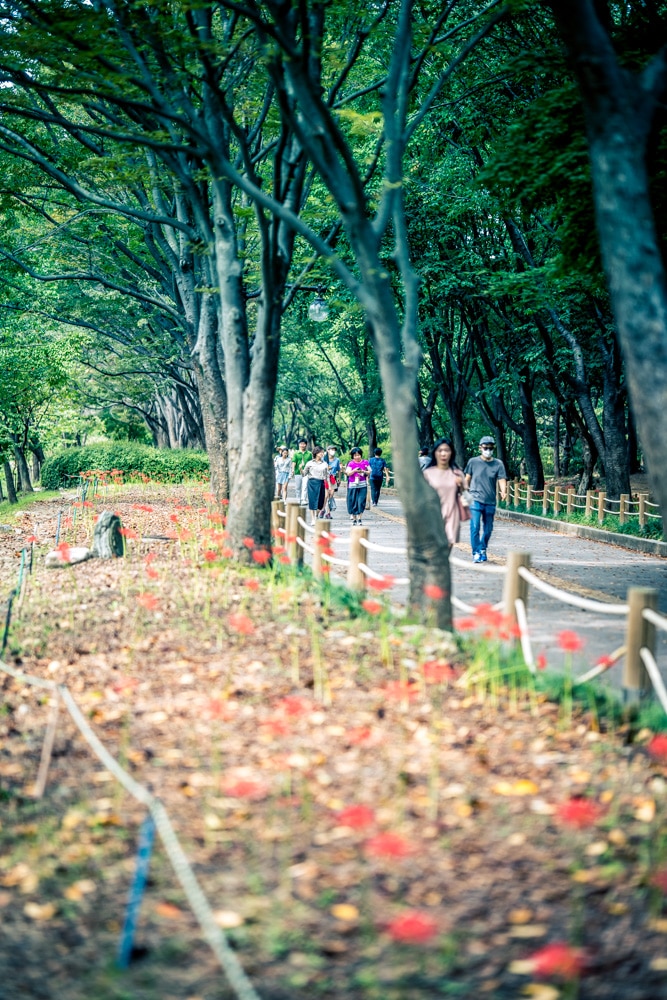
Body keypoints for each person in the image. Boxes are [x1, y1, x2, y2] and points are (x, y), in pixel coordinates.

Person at [464, 435, 508, 563]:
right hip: (475, 499)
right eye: (485, 447)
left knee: (488, 528)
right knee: (475, 526)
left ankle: (483, 547)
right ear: (480, 448)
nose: (488, 450)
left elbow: (501, 479)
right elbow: (467, 478)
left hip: (490, 501)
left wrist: (503, 491)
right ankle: (476, 552)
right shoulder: (473, 462)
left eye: (490, 447)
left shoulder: (498, 464)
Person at [423, 438, 465, 547]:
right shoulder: (428, 473)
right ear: (435, 453)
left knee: (448, 544)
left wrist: (461, 486)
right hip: (432, 513)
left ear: (451, 452)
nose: (443, 453)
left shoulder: (457, 473)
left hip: (452, 512)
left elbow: (466, 496)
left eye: (447, 450)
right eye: (440, 450)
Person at [302, 447, 329, 524]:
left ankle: (316, 515)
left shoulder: (324, 463)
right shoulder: (309, 463)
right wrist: (301, 469)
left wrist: (329, 486)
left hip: (321, 482)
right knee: (312, 501)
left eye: (323, 452)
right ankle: (313, 518)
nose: (322, 454)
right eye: (321, 452)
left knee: (320, 502)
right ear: (316, 453)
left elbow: (327, 475)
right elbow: (304, 474)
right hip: (312, 482)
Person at [345, 447, 370, 526]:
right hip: (352, 485)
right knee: (353, 502)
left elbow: (369, 471)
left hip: (362, 485)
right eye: (355, 455)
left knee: (361, 502)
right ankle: (354, 519)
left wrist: (364, 471)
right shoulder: (351, 463)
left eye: (358, 455)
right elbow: (348, 473)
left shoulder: (365, 462)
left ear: (361, 455)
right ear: (353, 456)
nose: (357, 457)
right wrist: (355, 470)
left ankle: (359, 518)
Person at [292, 438, 312, 506]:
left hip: (306, 473)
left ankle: (303, 499)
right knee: (298, 487)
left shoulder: (309, 454)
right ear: (299, 444)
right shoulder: (296, 453)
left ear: (306, 445)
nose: (302, 445)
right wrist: (293, 470)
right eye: (301, 444)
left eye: (304, 444)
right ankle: (298, 499)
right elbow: (294, 462)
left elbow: (311, 463)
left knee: (305, 486)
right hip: (298, 472)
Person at [325, 445, 341, 515]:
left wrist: (339, 478)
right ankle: (325, 511)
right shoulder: (323, 459)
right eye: (331, 449)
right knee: (326, 495)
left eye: (334, 450)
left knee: (331, 494)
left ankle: (327, 510)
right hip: (325, 478)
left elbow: (338, 470)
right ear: (328, 450)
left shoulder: (337, 460)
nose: (333, 451)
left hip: (333, 478)